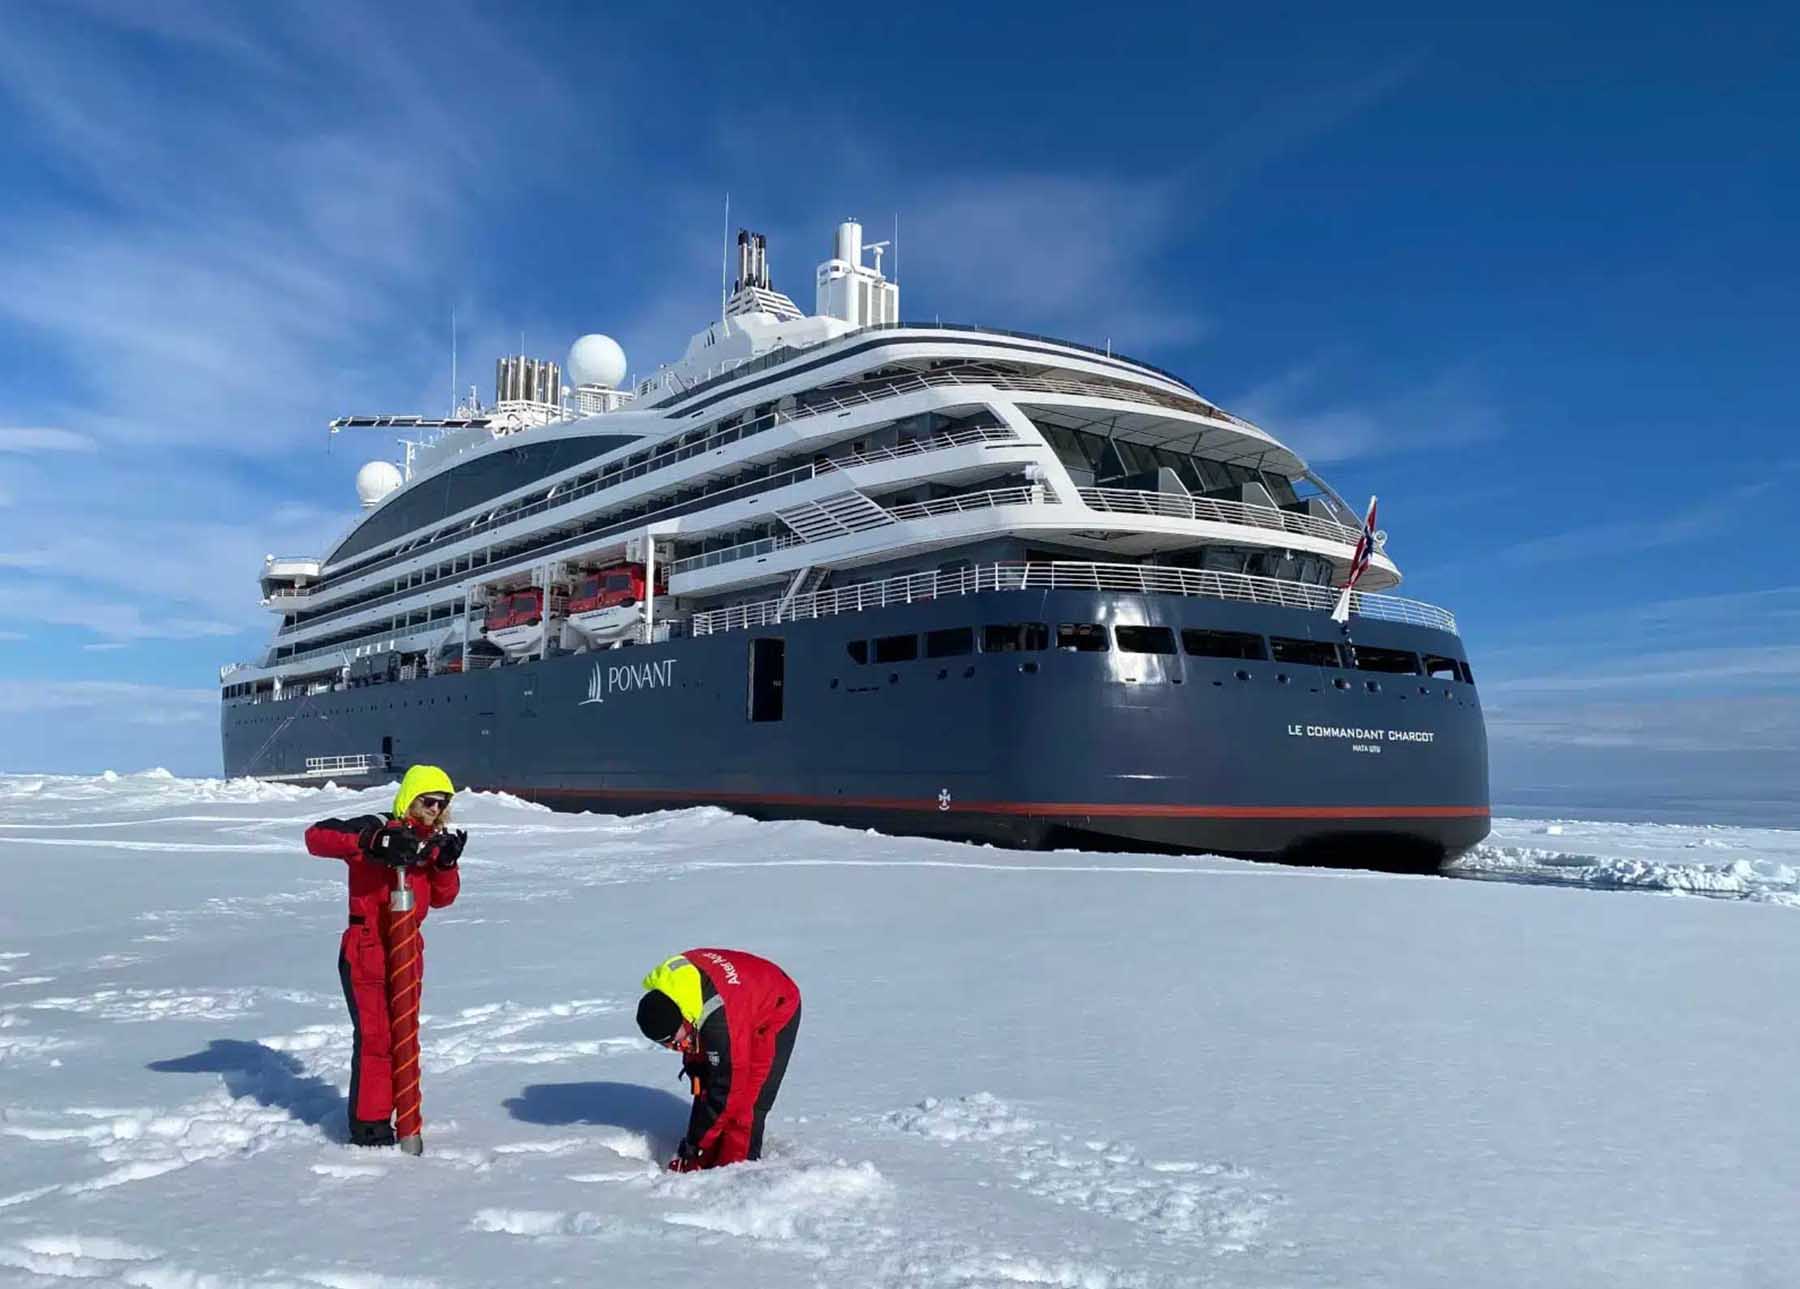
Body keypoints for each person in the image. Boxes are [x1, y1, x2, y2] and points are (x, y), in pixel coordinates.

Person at [304, 765, 466, 1148]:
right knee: (377, 1038)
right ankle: (370, 1127)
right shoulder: (376, 828)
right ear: (410, 798)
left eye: (442, 804)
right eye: (428, 801)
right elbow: (316, 837)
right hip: (368, 948)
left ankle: (405, 1118)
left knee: (404, 1037)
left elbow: (444, 898)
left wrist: (446, 865)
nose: (434, 810)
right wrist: (372, 842)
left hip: (408, 946)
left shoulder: (431, 842)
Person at [635, 949, 801, 1171]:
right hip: (738, 998)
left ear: (685, 1019)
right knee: (704, 1078)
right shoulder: (677, 992)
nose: (674, 1048)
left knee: (747, 1102)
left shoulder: (719, 1022)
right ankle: (704, 1158)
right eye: (666, 1045)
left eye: (675, 1041)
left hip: (775, 1006)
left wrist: (695, 1147)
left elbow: (726, 1091)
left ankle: (735, 1173)